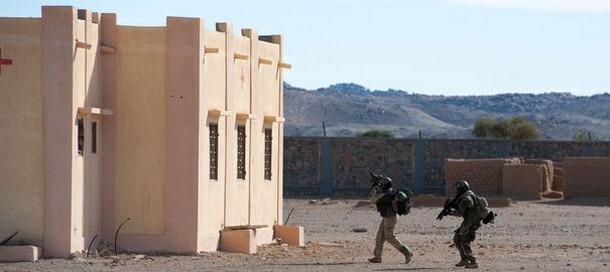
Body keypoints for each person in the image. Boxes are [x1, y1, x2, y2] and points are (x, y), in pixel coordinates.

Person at [367, 173, 413, 264]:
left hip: (390, 217)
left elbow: (371, 200)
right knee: (380, 236)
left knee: (389, 237)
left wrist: (374, 187)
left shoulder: (384, 195)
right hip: (387, 216)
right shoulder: (390, 191)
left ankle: (407, 252)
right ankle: (377, 256)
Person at [447, 180, 481, 269]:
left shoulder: (467, 198)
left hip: (471, 223)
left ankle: (473, 261)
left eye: (458, 189)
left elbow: (461, 211)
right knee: (457, 239)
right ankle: (464, 259)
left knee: (464, 241)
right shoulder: (468, 195)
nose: (457, 191)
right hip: (468, 221)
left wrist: (451, 212)